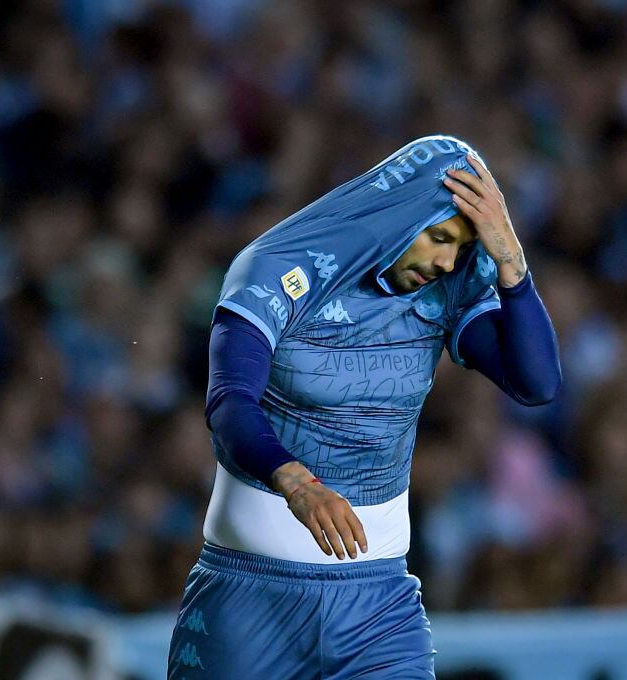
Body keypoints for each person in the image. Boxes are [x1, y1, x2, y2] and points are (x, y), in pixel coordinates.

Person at [168, 135, 561, 678]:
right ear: (400, 216)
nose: (447, 261)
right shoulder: (273, 268)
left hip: (378, 603)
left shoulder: (449, 284)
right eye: (439, 237)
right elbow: (230, 403)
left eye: (463, 247)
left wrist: (512, 265)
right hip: (249, 599)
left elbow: (535, 383)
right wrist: (297, 484)